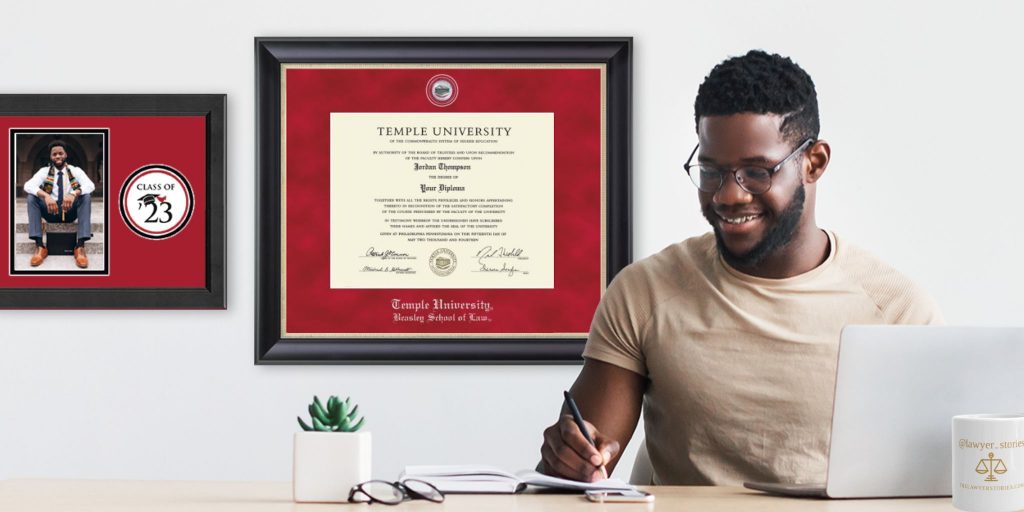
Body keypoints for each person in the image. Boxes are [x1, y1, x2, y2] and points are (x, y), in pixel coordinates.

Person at [538, 50, 943, 486]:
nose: (729, 196)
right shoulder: (647, 291)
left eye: (756, 172)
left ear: (815, 163)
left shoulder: (897, 312)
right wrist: (568, 459)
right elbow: (574, 477)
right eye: (712, 171)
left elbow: (932, 480)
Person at [23, 139, 95, 268]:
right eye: (54, 154)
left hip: (70, 212)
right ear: (50, 157)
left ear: (65, 154)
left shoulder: (75, 170)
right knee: (31, 197)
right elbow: (28, 185)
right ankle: (40, 246)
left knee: (86, 196)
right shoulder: (44, 171)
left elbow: (90, 185)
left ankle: (80, 247)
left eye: (60, 153)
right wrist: (46, 195)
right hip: (51, 211)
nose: (57, 156)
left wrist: (74, 194)